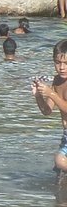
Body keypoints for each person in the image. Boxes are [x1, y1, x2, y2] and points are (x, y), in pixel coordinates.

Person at [30, 40, 67, 172]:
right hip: (66, 135)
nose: (62, 67)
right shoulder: (57, 81)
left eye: (66, 63)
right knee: (58, 172)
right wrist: (39, 95)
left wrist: (51, 93)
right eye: (58, 63)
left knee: (60, 161)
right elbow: (47, 111)